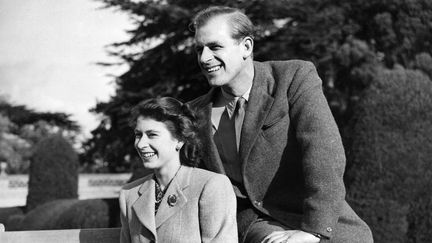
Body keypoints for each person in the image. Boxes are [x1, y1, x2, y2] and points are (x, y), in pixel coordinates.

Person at [188, 6, 373, 243]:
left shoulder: (293, 78)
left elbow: (324, 153)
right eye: (199, 50)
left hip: (316, 219)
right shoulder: (194, 113)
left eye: (214, 47)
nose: (204, 58)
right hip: (250, 226)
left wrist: (312, 231)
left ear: (246, 47)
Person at [119, 97, 238, 243]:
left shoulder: (211, 185)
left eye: (152, 135)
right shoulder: (129, 194)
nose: (141, 144)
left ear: (179, 140)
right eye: (138, 135)